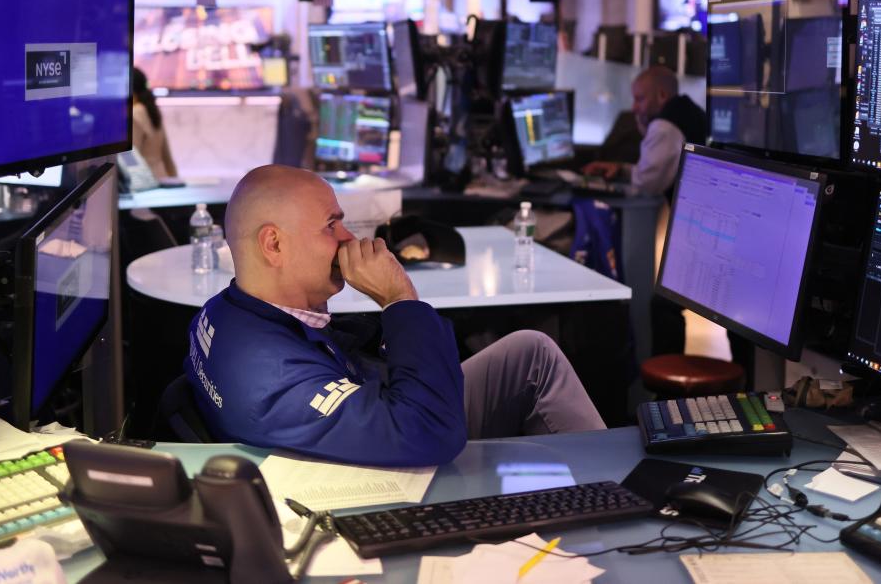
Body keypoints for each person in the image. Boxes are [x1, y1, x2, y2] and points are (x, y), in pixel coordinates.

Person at [184, 165, 605, 467]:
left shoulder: (226, 310)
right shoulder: (271, 378)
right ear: (273, 244)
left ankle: (606, 489)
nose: (349, 239)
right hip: (399, 463)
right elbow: (428, 434)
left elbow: (340, 345)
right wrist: (398, 298)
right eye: (331, 226)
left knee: (531, 353)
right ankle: (611, 502)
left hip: (381, 412)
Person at [582, 65, 707, 197]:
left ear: (662, 95)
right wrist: (620, 169)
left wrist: (647, 133)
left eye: (640, 99)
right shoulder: (687, 111)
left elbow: (646, 188)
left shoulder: (664, 127)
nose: (634, 108)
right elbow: (649, 174)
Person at [131, 67, 179, 181]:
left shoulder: (135, 113)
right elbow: (167, 156)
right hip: (160, 177)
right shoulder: (151, 109)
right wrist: (175, 180)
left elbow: (132, 159)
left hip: (145, 182)